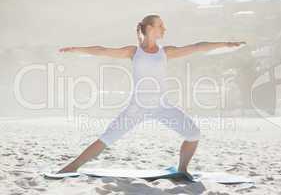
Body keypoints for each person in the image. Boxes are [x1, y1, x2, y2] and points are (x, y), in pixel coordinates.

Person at [57, 14, 246, 175]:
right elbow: (103, 51)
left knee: (193, 133)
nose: (165, 28)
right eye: (160, 25)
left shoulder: (165, 52)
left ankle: (181, 170)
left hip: (162, 106)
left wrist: (226, 44)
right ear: (149, 28)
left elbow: (198, 46)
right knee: (106, 138)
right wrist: (77, 49)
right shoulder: (134, 52)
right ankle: (70, 168)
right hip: (137, 107)